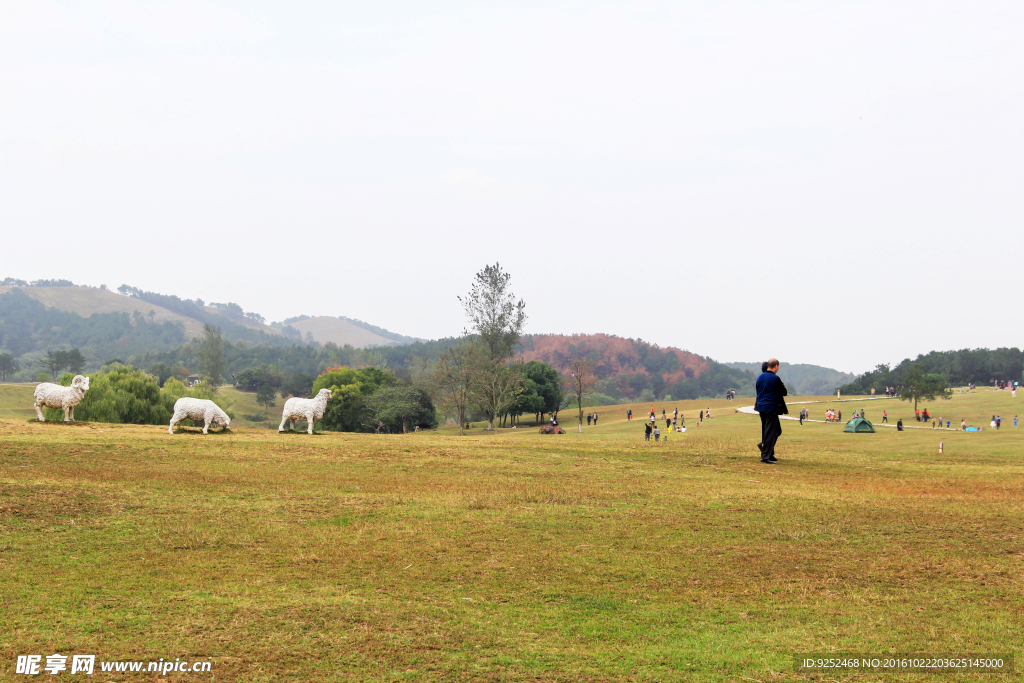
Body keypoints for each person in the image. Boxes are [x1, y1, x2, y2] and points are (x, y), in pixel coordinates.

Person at [755, 358, 787, 464]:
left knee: (774, 430)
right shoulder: (775, 378)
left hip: (761, 407)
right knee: (770, 432)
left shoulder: (760, 377)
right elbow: (784, 391)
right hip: (770, 407)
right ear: (776, 366)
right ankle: (765, 456)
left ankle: (768, 451)